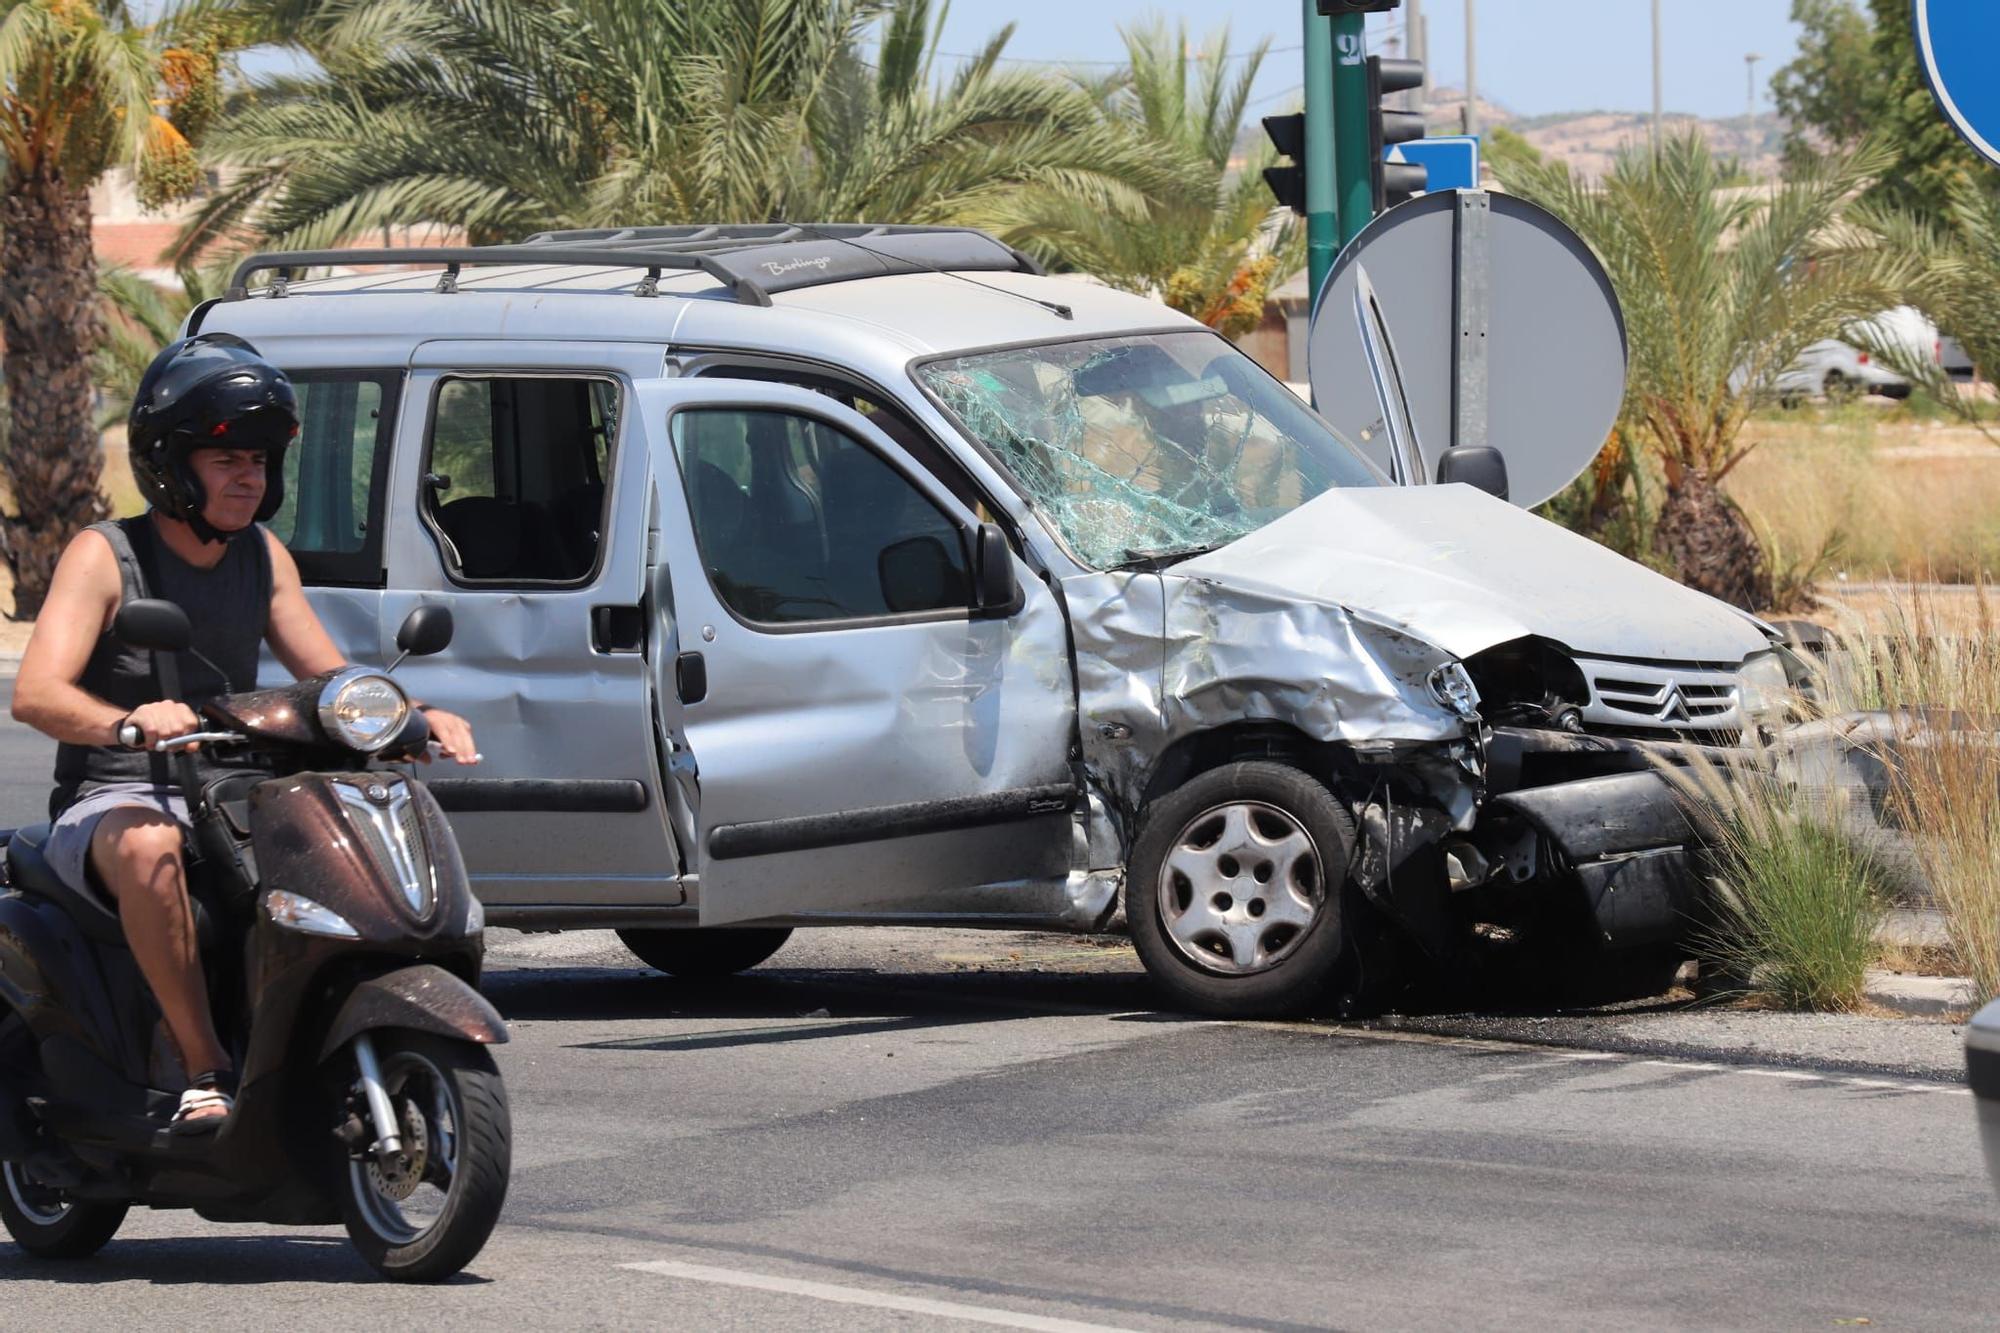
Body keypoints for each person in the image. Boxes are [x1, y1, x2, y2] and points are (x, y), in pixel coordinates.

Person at [10, 334, 480, 1131]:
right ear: (170, 463)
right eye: (225, 457)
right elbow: (36, 692)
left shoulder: (263, 555)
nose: (249, 475)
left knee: (331, 850)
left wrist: (408, 714)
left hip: (227, 792)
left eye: (260, 459)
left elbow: (324, 675)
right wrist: (127, 723)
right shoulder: (104, 555)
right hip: (115, 795)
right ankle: (202, 1067)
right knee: (152, 847)